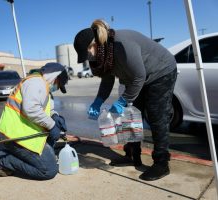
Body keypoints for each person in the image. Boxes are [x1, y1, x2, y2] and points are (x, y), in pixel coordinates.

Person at [73, 19, 177, 181]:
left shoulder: (121, 45)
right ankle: (132, 155)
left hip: (160, 71)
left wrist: (123, 101)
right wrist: (98, 100)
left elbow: (139, 76)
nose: (88, 58)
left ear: (93, 45)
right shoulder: (103, 53)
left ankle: (161, 163)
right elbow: (107, 80)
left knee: (157, 116)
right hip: (137, 79)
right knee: (131, 116)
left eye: (87, 53)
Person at [0, 62, 69, 180]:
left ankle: (35, 156)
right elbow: (31, 109)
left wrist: (55, 117)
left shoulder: (43, 85)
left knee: (50, 149)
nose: (56, 87)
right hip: (16, 136)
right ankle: (3, 159)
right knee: (48, 170)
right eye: (58, 84)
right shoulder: (35, 83)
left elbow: (46, 109)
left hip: (27, 133)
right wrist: (51, 126)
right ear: (55, 77)